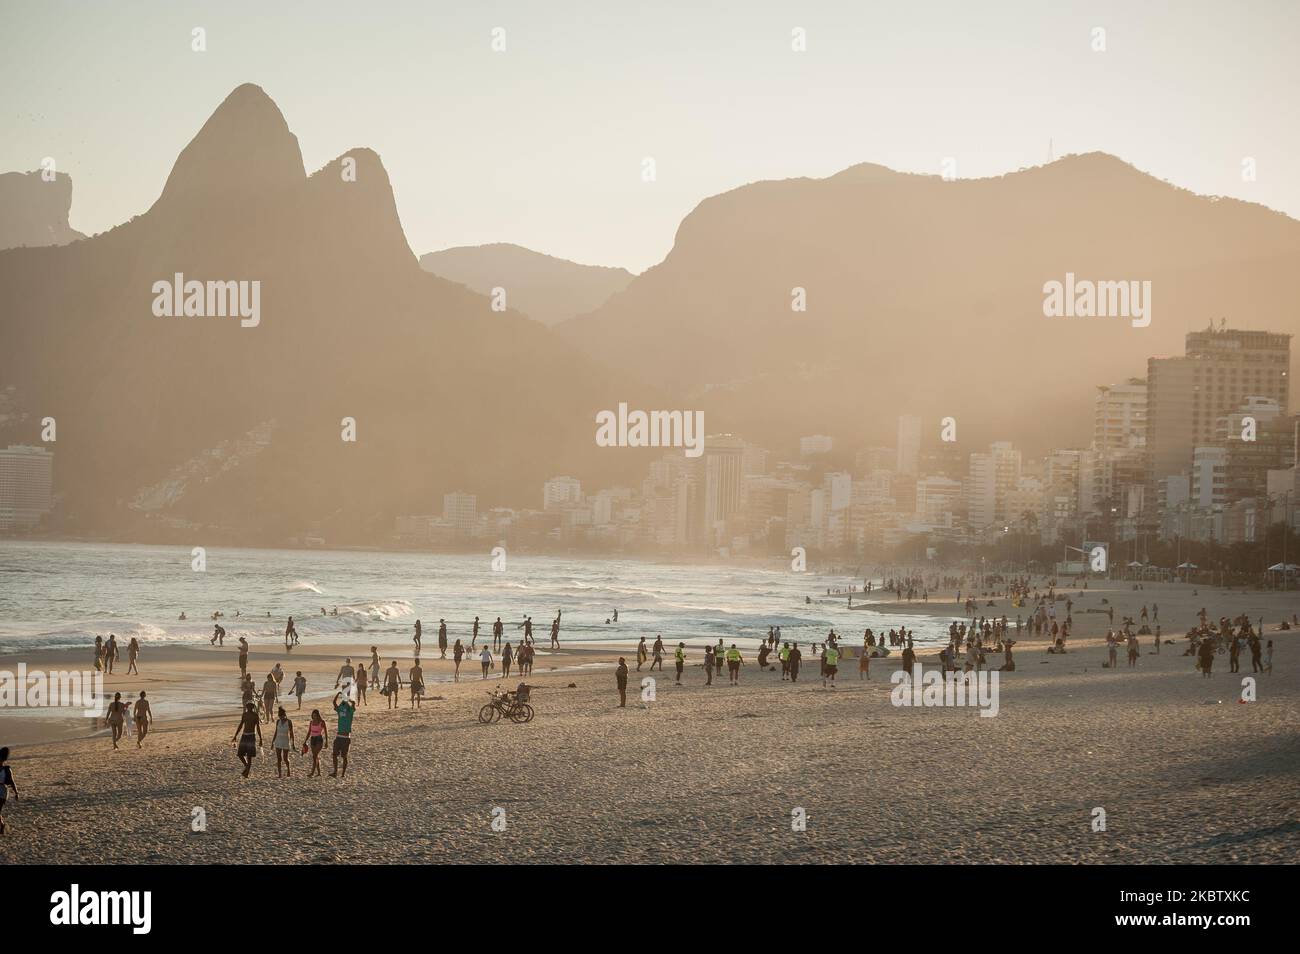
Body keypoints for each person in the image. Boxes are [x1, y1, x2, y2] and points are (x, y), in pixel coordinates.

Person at [232, 702, 262, 777]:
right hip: (244, 735)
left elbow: (258, 727)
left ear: (252, 708)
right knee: (240, 754)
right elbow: (241, 725)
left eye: (249, 707)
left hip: (251, 736)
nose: (248, 709)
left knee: (249, 756)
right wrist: (235, 735)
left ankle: (247, 772)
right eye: (247, 707)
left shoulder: (255, 715)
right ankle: (247, 767)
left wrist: (261, 738)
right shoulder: (244, 715)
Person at [331, 691, 355, 778]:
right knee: (334, 755)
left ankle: (343, 774)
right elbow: (334, 702)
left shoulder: (350, 711)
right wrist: (338, 694)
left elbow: (353, 703)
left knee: (344, 756)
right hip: (338, 736)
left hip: (346, 737)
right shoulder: (340, 710)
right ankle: (335, 772)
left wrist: (347, 699)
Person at [271, 706, 295, 778]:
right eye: (279, 716)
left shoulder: (289, 722)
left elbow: (291, 733)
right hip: (278, 741)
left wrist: (293, 743)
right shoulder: (278, 721)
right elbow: (276, 732)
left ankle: (288, 770)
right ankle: (280, 774)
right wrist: (273, 741)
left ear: (284, 715)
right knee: (279, 759)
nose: (280, 717)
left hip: (285, 741)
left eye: (281, 716)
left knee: (285, 758)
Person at [0, 747, 18, 836]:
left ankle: (2, 825)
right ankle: (2, 825)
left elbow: (12, 781)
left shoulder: (6, 769)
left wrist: (16, 793)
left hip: (3, 790)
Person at [306, 709, 328, 777]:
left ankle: (312, 773)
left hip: (319, 739)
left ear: (318, 715)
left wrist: (327, 742)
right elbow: (309, 732)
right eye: (313, 715)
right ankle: (319, 773)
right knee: (315, 756)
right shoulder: (311, 722)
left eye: (315, 715)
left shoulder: (322, 722)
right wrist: (305, 741)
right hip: (312, 739)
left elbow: (326, 732)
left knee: (314, 756)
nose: (314, 716)